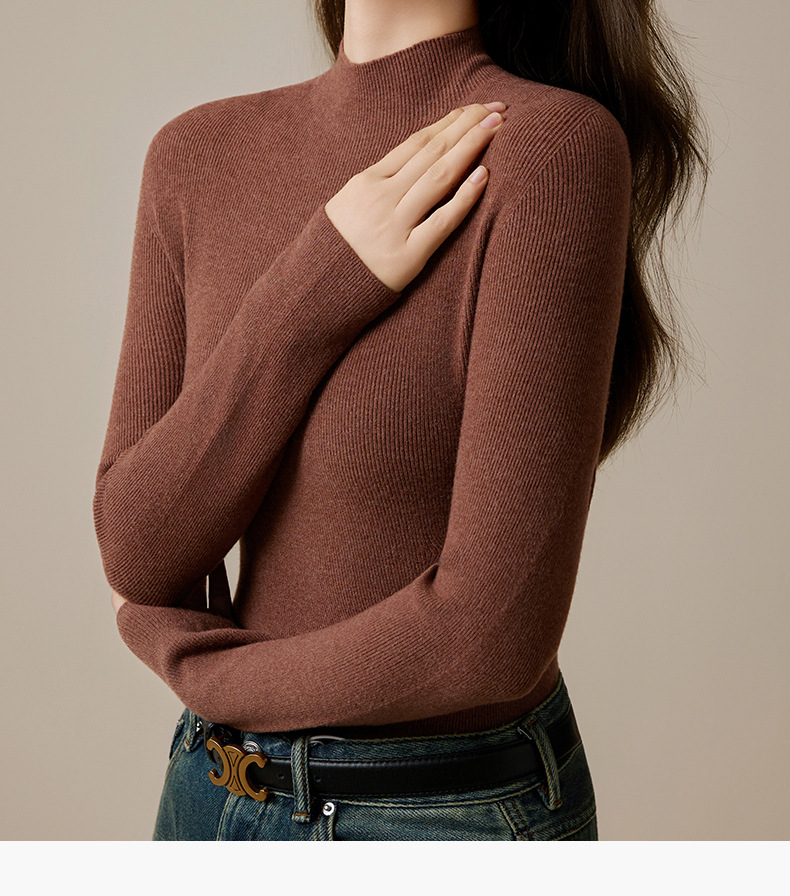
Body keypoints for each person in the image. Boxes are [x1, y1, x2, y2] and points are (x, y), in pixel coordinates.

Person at [93, 0, 708, 840]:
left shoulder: (546, 149)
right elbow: (139, 545)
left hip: (439, 811)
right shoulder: (194, 156)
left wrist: (209, 676)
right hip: (209, 796)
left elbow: (490, 638)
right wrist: (323, 277)